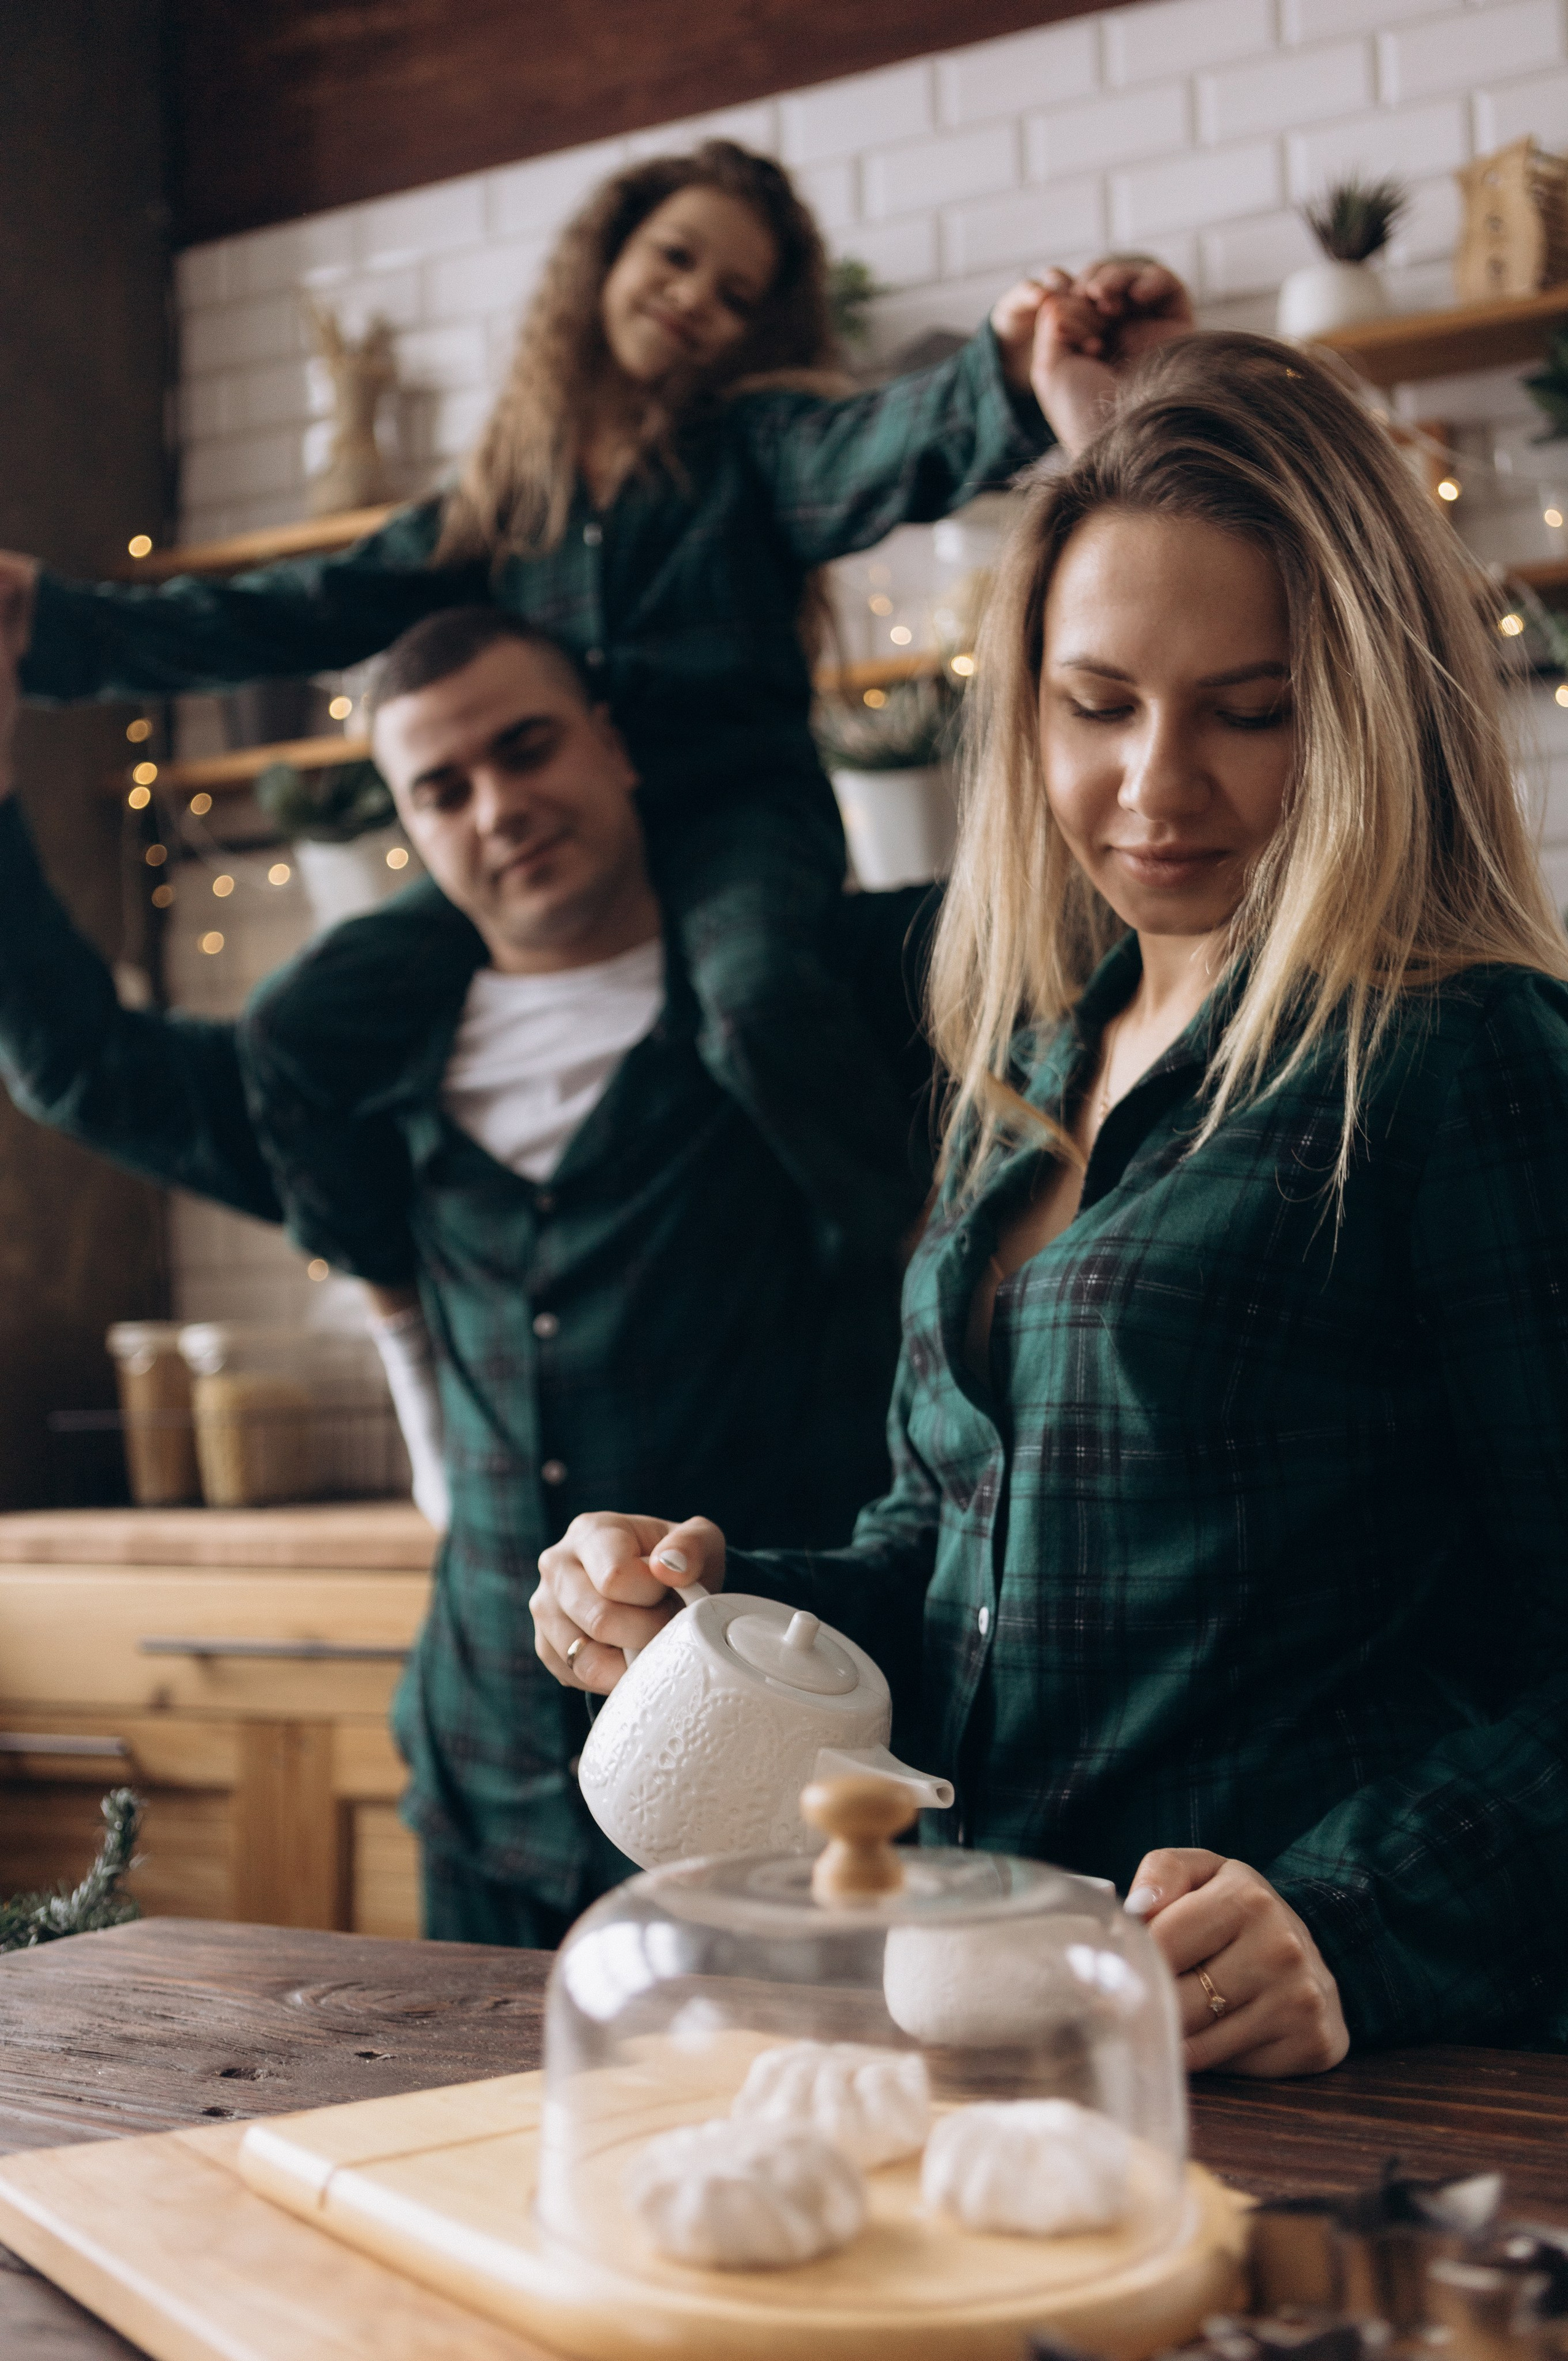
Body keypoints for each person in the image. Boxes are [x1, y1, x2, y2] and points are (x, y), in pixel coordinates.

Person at [533, 329, 1568, 2069]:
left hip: (1331, 2077)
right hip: (980, 2027)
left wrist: (1356, 1920)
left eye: (1253, 712)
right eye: (1100, 706)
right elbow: (957, 1565)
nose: (1158, 786)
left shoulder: (1464, 1055)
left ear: (1372, 710)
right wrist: (712, 1611)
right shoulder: (1030, 1065)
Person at [0, 135, 1188, 1279]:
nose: (691, 300)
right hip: (556, 837)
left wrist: (1008, 368)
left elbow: (881, 444)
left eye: (732, 294)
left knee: (759, 998)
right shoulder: (507, 494)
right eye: (673, 258)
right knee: (298, 1017)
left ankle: (904, 1253)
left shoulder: (755, 446)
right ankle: (393, 1286)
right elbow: (299, 606)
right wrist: (50, 625)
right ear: (604, 263)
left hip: (734, 823)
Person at [0, 600, 944, 1947]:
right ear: (407, 827)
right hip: (483, 1785)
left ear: (612, 746)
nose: (497, 805)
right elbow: (76, 1067)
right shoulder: (355, 1087)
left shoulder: (815, 1001)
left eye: (526, 749)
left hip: (764, 1781)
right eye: (442, 788)